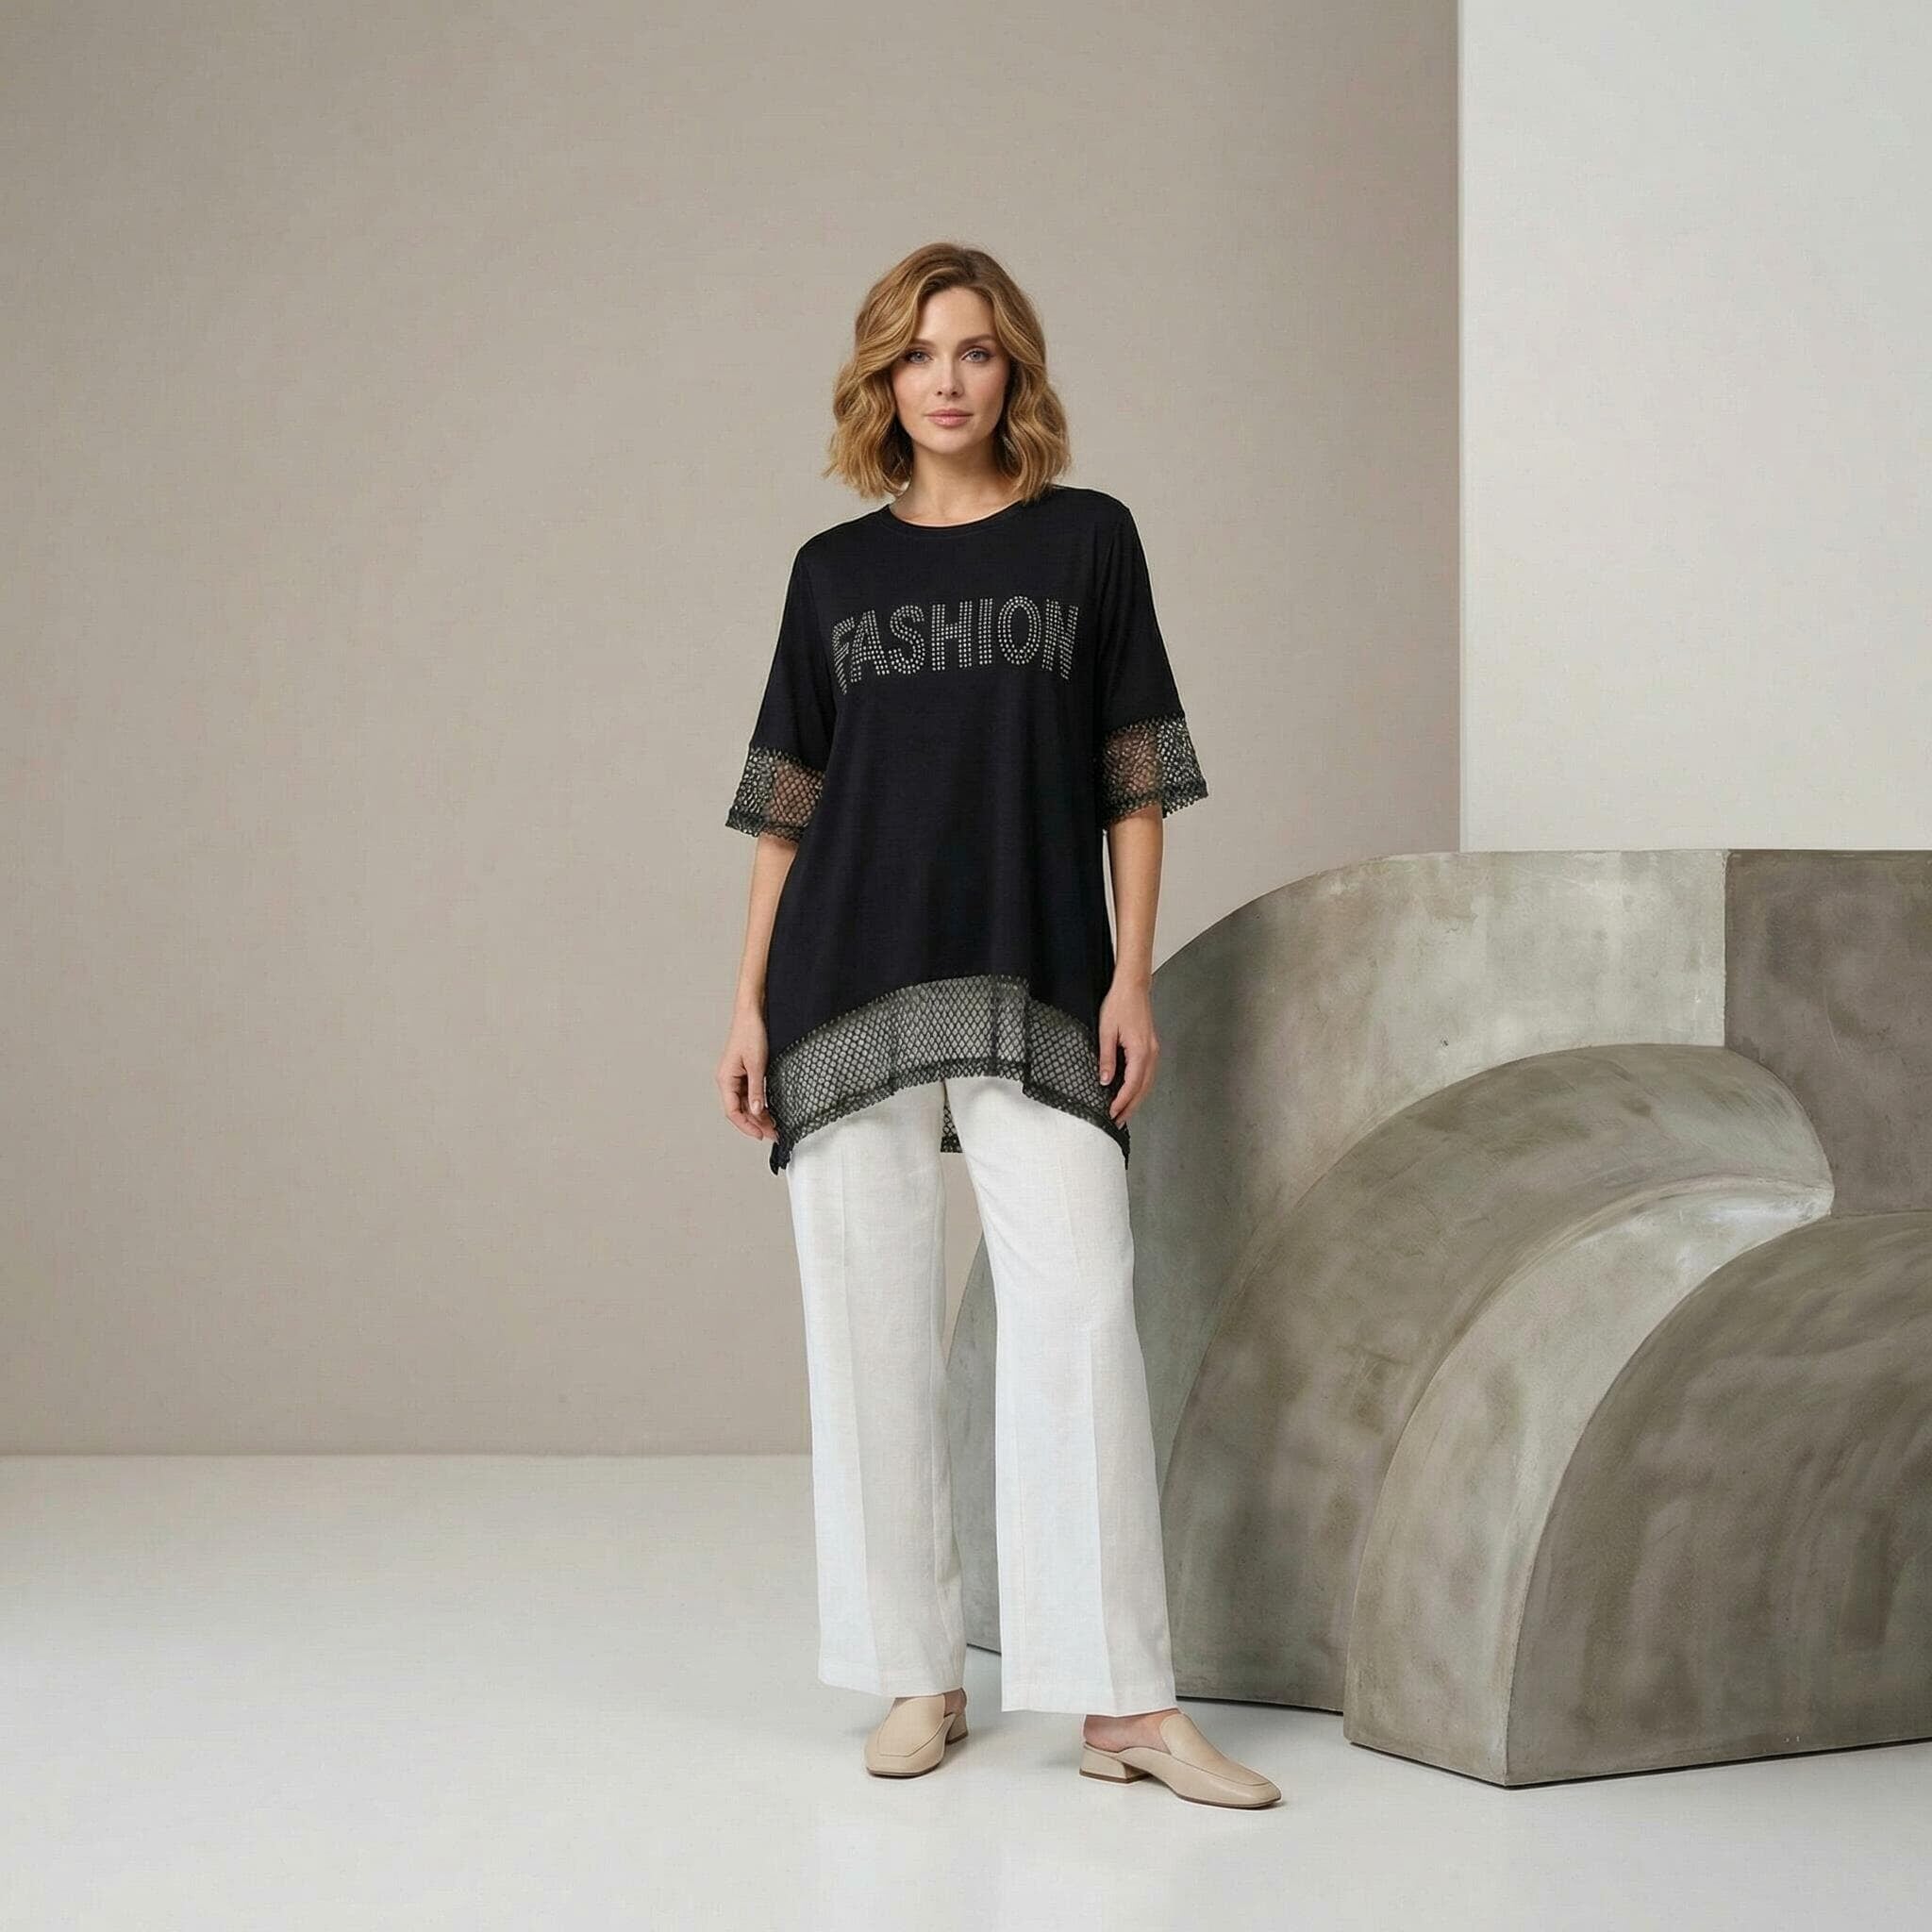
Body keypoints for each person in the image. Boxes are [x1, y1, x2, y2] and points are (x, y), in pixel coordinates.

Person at [715, 242, 1279, 1810]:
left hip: (1038, 974)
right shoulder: (832, 574)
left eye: (971, 351)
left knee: (1080, 1315)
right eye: (915, 355)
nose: (945, 381)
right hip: (845, 980)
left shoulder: (1088, 542)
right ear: (881, 381)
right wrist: (747, 1000)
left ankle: (1125, 1707)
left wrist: (1132, 973)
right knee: (868, 1331)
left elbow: (1134, 772)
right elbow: (788, 805)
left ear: (1012, 368)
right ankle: (917, 1673)